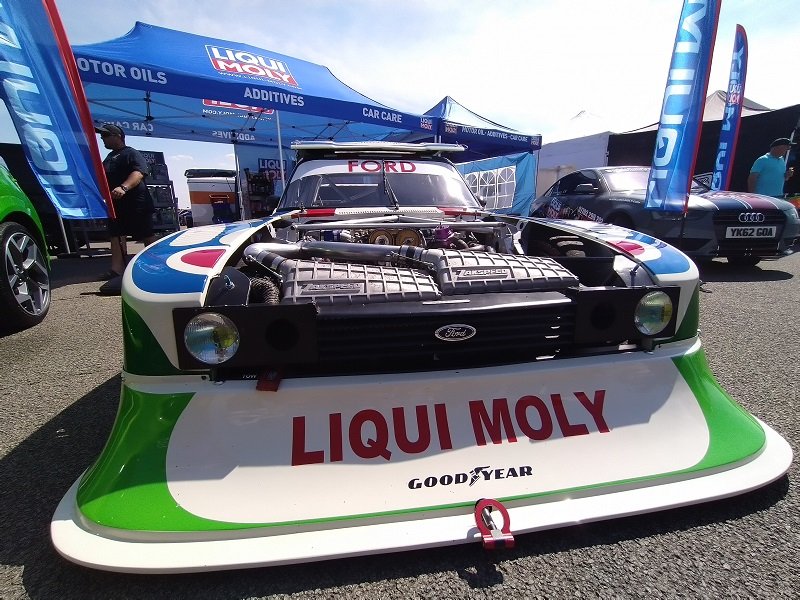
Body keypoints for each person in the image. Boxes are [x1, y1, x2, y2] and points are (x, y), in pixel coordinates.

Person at [95, 123, 156, 281]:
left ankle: (156, 266)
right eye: (101, 136)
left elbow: (139, 172)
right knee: (115, 235)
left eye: (106, 135)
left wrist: (124, 187)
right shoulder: (109, 157)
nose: (102, 138)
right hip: (116, 204)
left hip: (136, 203)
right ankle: (117, 269)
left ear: (118, 137)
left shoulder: (131, 153)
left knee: (146, 234)